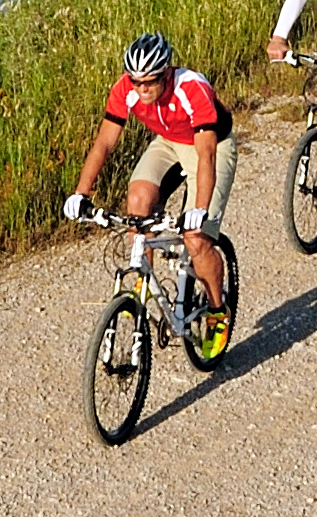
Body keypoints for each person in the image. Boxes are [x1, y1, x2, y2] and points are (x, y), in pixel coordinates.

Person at [64, 33, 231, 317]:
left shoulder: (191, 88)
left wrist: (200, 208)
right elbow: (104, 143)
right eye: (136, 81)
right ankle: (143, 286)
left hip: (212, 145)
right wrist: (81, 193)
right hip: (168, 142)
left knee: (196, 238)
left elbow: (207, 155)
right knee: (138, 202)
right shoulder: (124, 89)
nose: (142, 88)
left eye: (150, 81)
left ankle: (218, 311)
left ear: (166, 72)